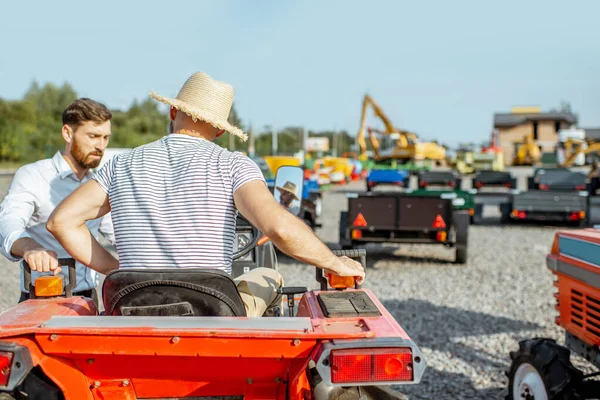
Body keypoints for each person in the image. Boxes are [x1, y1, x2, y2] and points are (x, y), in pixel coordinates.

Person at [47, 71, 365, 317]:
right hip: (213, 309)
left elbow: (61, 222)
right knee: (269, 274)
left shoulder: (122, 164)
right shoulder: (231, 165)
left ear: (173, 112)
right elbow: (279, 228)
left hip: (131, 301)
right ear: (221, 130)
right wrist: (335, 262)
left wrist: (116, 270)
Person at [0, 98, 115, 304]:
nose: (100, 146)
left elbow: (117, 230)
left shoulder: (97, 185)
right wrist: (31, 248)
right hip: (40, 298)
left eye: (106, 137)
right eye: (93, 136)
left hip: (90, 298)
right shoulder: (33, 175)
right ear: (67, 133)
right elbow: (8, 222)